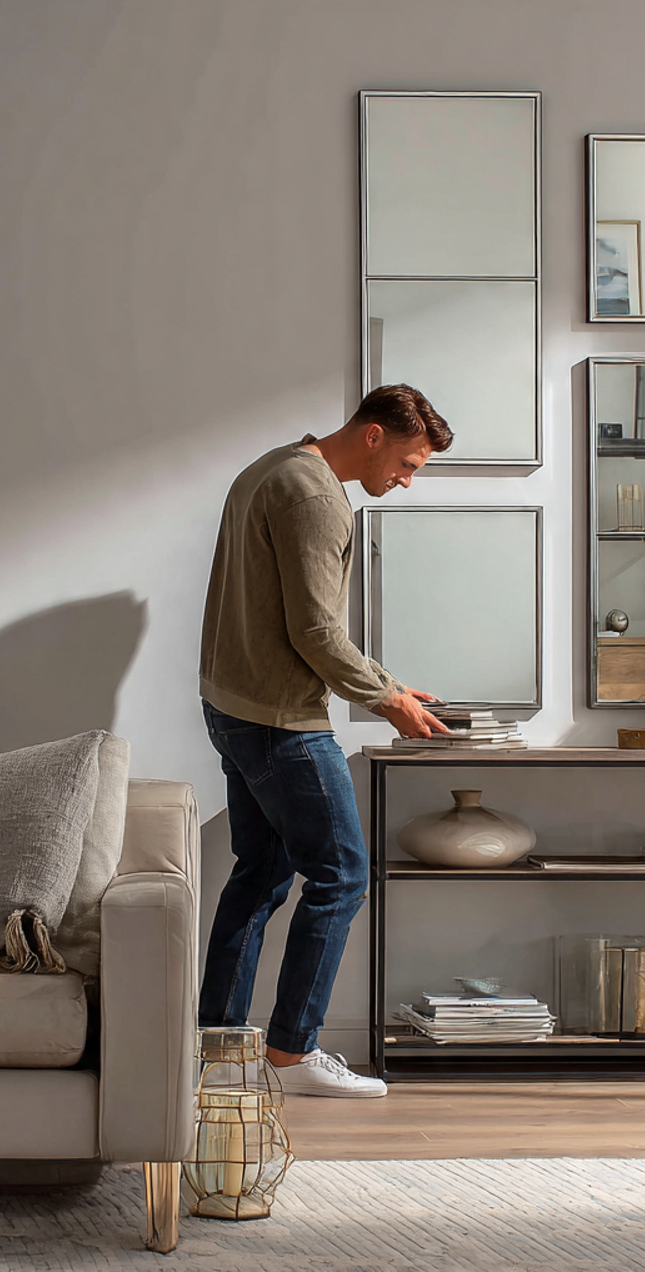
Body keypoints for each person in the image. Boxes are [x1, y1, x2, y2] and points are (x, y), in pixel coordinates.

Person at [197, 384, 453, 1097]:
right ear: (372, 435)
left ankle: (216, 1054)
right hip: (281, 722)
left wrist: (389, 682)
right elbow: (314, 632)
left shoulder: (272, 467)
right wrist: (383, 697)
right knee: (342, 877)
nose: (406, 480)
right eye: (408, 463)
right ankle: (292, 1054)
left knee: (258, 878)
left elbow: (294, 619)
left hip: (233, 708)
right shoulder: (315, 497)